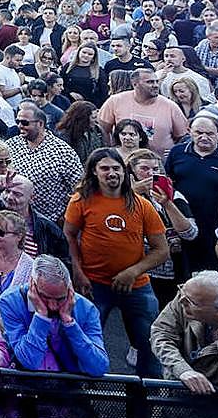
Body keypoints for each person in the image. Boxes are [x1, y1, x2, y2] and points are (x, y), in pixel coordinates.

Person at [63, 148, 169, 377]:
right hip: (94, 285)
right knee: (83, 345)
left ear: (124, 171)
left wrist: (134, 271)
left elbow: (162, 250)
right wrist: (78, 272)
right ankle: (83, 400)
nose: (112, 173)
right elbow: (69, 235)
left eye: (116, 168)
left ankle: (146, 403)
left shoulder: (142, 205)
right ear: (94, 171)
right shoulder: (81, 200)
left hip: (137, 286)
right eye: (105, 168)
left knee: (150, 346)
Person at [0, 254, 109, 375]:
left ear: (70, 288)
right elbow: (29, 361)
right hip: (24, 384)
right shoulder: (10, 302)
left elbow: (98, 368)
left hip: (67, 386)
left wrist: (69, 323)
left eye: (60, 299)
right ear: (32, 285)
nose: (52, 306)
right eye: (45, 297)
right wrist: (41, 316)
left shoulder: (87, 309)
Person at [167, 114, 218, 272]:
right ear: (189, 132)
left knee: (213, 272)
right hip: (182, 223)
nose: (204, 137)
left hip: (214, 226)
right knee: (183, 270)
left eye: (210, 133)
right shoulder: (177, 153)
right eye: (199, 132)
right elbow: (168, 183)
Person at [150, 270, 218, 397]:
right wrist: (182, 370)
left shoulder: (195, 297)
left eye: (190, 303)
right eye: (181, 293)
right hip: (173, 393)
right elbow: (161, 333)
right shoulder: (189, 294)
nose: (181, 301)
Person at [131, 149, 197, 307]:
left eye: (155, 169)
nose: (150, 174)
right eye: (144, 169)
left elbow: (190, 233)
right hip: (141, 271)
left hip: (175, 269)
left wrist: (167, 204)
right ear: (132, 173)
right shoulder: (125, 198)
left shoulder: (175, 196)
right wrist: (132, 193)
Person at [6, 101, 84, 222]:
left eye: (25, 122)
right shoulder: (11, 145)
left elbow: (80, 187)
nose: (20, 126)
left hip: (51, 221)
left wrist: (67, 216)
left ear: (40, 124)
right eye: (18, 122)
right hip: (16, 220)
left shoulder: (62, 151)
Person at [98, 68, 190, 157]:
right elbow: (102, 129)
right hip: (123, 162)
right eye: (149, 82)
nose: (155, 85)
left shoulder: (170, 106)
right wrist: (110, 151)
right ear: (135, 84)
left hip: (159, 164)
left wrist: (175, 153)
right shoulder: (116, 101)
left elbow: (183, 137)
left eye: (156, 81)